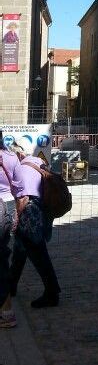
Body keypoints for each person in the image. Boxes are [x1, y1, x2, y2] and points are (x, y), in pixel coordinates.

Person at [8, 139, 60, 308]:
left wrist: (15, 220)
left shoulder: (21, 168)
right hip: (42, 210)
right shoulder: (38, 161)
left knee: (38, 253)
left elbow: (22, 199)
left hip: (30, 212)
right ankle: (11, 286)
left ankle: (52, 292)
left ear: (17, 154)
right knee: (20, 249)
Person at [0, 132, 29, 329]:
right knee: (2, 259)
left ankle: (7, 312)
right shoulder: (11, 157)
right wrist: (17, 218)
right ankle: (7, 309)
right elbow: (22, 195)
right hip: (7, 211)